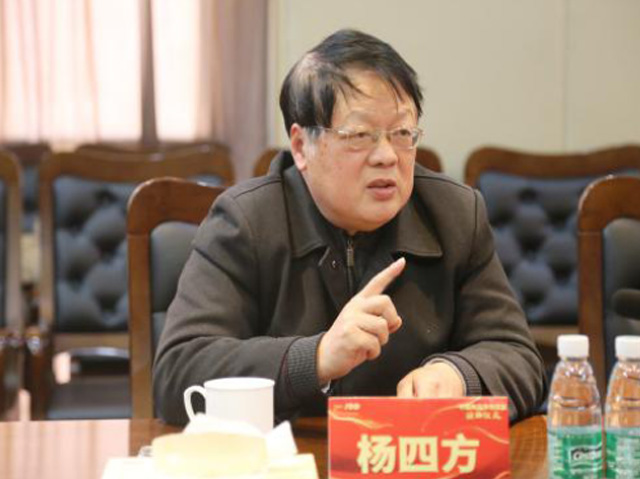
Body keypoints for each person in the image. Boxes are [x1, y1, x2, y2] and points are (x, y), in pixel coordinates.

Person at [153, 29, 547, 425]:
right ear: (301, 146)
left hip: (408, 453)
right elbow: (178, 374)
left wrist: (459, 376)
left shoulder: (455, 215)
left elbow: (519, 357)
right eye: (360, 135)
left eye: (402, 133)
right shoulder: (247, 222)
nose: (387, 156)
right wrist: (315, 358)